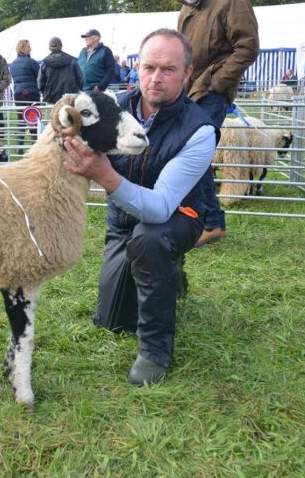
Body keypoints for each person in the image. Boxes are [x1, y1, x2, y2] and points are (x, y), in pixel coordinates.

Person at [63, 28, 216, 387]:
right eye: (148, 68)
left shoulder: (199, 130)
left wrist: (104, 175)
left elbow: (162, 207)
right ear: (136, 67)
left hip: (178, 219)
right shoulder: (113, 106)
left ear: (188, 73)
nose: (155, 79)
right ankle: (171, 276)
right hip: (124, 221)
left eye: (168, 70)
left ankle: (155, 350)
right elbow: (64, 128)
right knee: (112, 320)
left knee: (151, 239)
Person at [169, 0, 259, 247]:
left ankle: (211, 222)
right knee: (187, 151)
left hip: (212, 91)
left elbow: (247, 47)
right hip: (190, 91)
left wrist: (219, 83)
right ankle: (202, 217)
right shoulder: (186, 11)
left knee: (194, 151)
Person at [10, 39, 41, 149]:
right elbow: (39, 77)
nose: (30, 48)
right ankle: (35, 145)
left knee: (21, 120)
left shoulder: (13, 64)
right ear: (23, 48)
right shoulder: (32, 62)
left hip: (18, 94)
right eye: (28, 47)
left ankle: (19, 147)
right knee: (34, 119)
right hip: (32, 93)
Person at [38, 37, 83, 104]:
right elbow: (80, 79)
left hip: (51, 98)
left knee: (52, 114)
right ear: (61, 46)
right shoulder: (72, 61)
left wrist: (45, 92)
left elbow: (40, 83)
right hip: (70, 98)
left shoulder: (45, 63)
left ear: (50, 47)